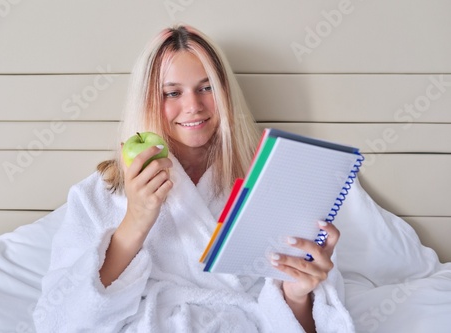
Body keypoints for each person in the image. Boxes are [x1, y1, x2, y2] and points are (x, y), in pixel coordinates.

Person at [33, 25, 354, 332]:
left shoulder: (273, 185)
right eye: (172, 93)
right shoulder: (100, 194)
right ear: (146, 100)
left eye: (206, 88)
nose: (193, 107)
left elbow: (301, 323)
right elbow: (61, 321)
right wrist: (135, 220)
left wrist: (297, 294)